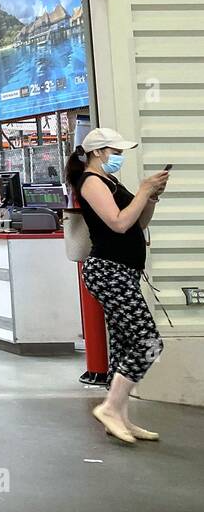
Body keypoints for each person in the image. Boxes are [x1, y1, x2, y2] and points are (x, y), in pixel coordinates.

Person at [67, 129, 169, 444]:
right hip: (109, 270)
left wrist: (149, 198)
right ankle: (111, 407)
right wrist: (141, 191)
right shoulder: (91, 182)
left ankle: (120, 417)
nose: (121, 156)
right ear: (99, 152)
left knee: (126, 345)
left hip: (124, 272)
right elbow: (118, 222)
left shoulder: (111, 182)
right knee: (148, 342)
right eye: (116, 150)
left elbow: (139, 222)